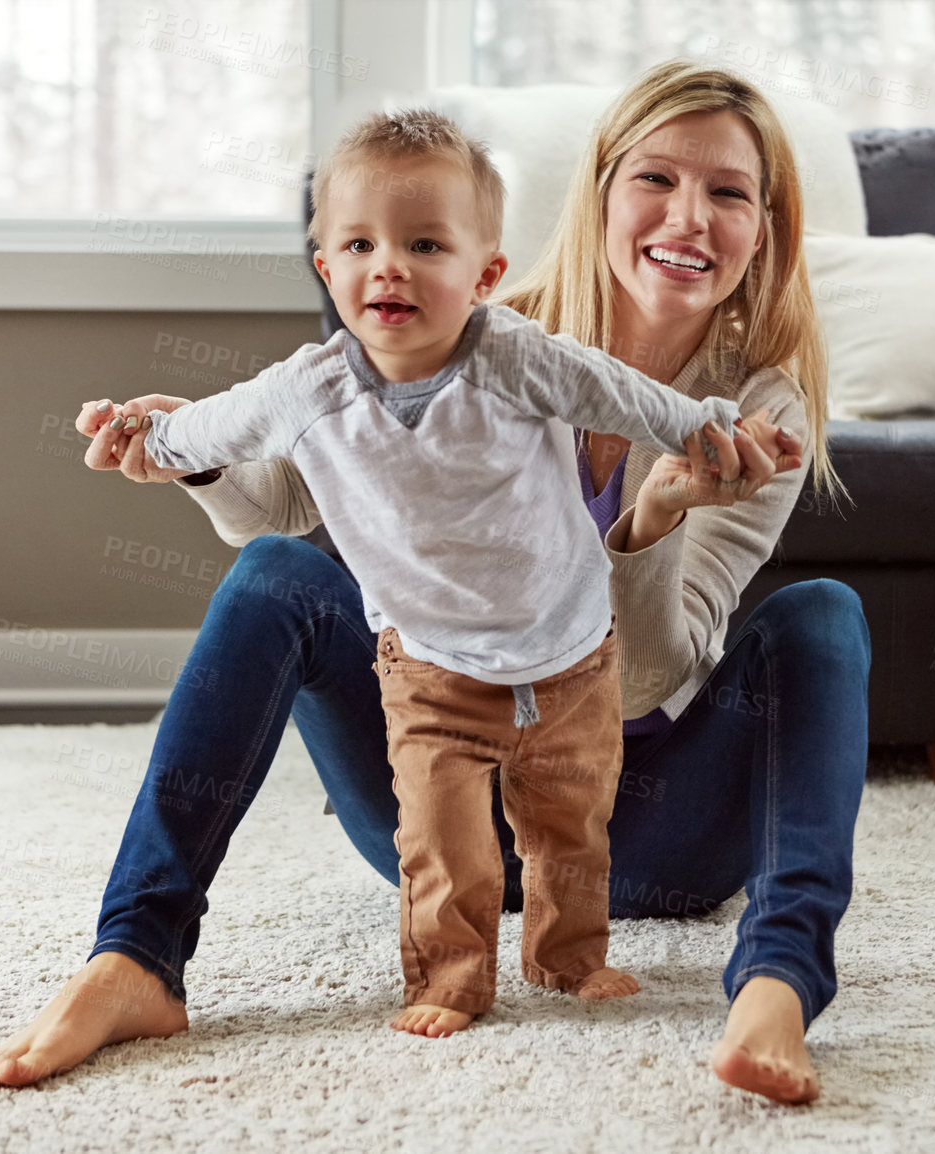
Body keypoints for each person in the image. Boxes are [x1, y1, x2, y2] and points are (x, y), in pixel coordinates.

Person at [0, 58, 868, 1106]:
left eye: (729, 192)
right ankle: (135, 955)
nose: (690, 216)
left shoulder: (755, 413)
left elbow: (642, 683)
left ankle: (777, 979)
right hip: (446, 786)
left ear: (765, 227)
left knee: (823, 617)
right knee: (275, 571)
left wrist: (653, 523)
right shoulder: (463, 311)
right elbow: (285, 511)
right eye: (656, 179)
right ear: (600, 189)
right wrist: (199, 455)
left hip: (651, 828)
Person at [134, 107, 786, 1036]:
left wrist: (700, 434)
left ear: (483, 275)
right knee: (442, 843)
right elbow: (225, 445)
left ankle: (570, 959)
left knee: (570, 831)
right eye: (359, 244)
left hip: (573, 665)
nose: (388, 265)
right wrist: (154, 440)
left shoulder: (519, 356)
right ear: (328, 268)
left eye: (424, 244)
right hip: (435, 670)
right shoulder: (310, 388)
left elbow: (625, 395)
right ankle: (440, 978)